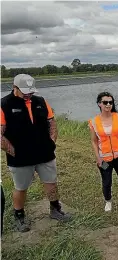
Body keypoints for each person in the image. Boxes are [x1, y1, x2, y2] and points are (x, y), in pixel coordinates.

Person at [1, 74, 71, 233]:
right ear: (14, 87)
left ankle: (55, 209)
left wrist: (52, 143)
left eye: (31, 91)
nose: (29, 94)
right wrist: (13, 152)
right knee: (21, 187)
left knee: (51, 183)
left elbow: (51, 122)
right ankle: (19, 216)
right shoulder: (4, 104)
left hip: (45, 153)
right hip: (19, 158)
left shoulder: (41, 101)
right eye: (25, 91)